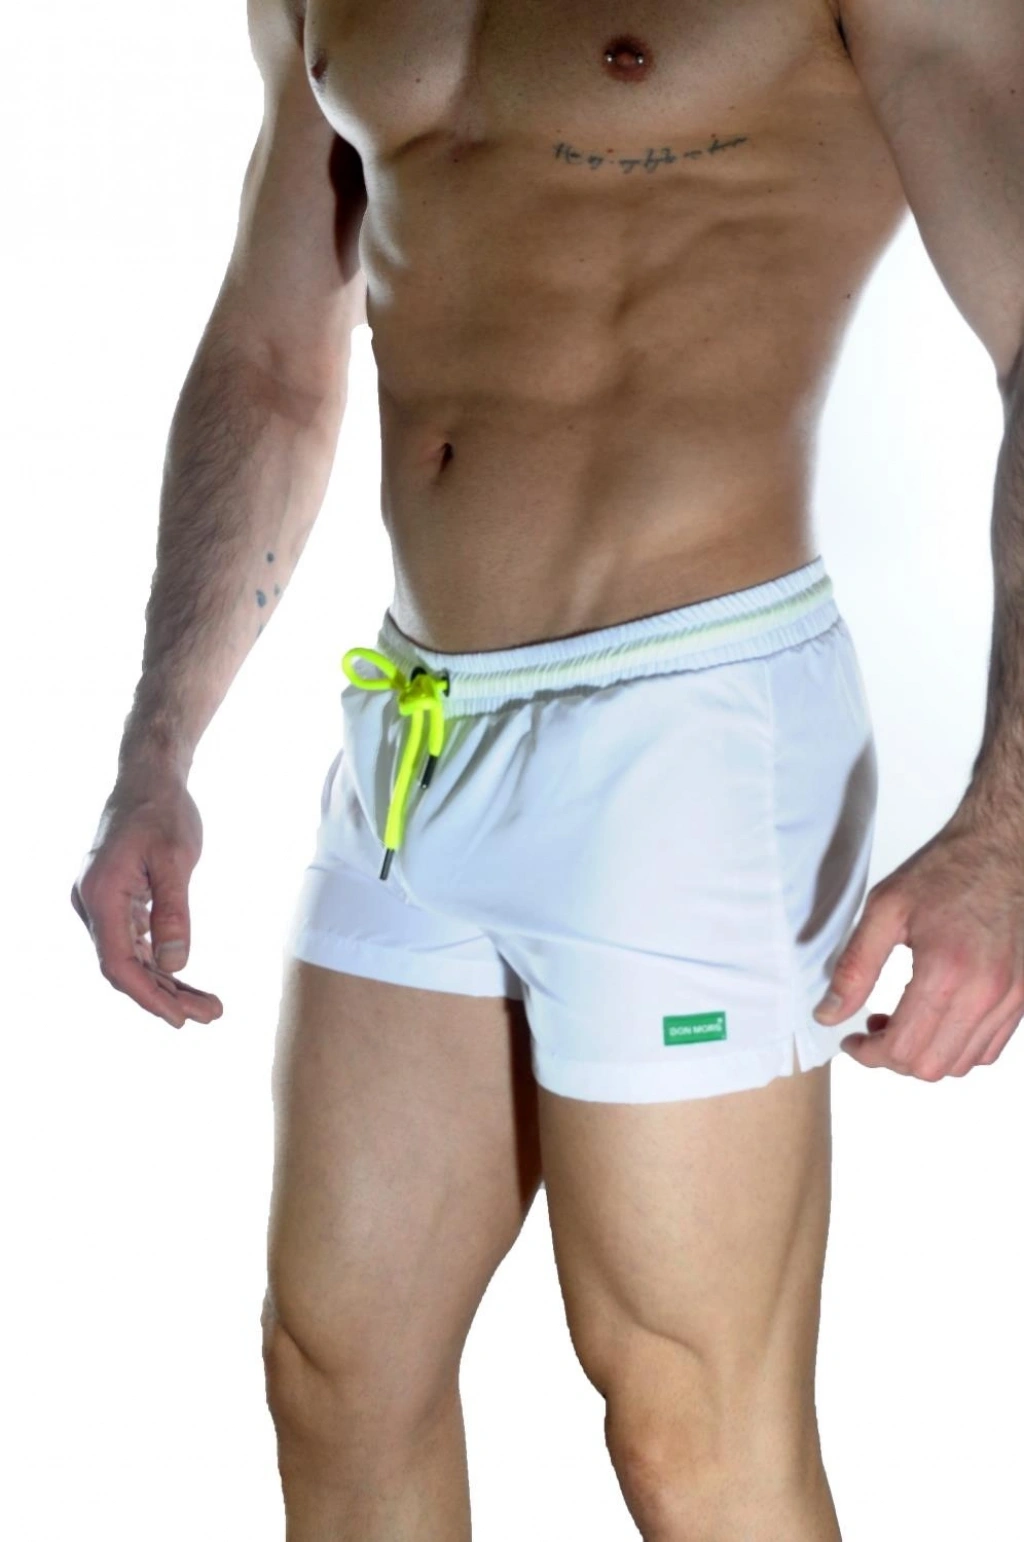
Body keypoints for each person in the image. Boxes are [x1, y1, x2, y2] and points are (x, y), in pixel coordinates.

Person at [70, 0, 1024, 1536]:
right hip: (417, 723)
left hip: (690, 727)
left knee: (688, 1424)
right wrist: (156, 745)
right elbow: (274, 357)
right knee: (332, 1367)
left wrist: (1009, 829)